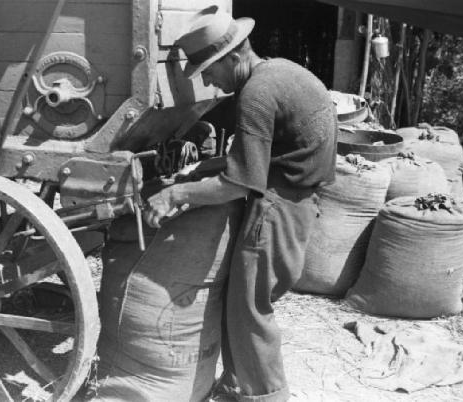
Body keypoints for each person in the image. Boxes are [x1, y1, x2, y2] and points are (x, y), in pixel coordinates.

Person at [143, 6, 337, 402]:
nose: (211, 82)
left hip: (279, 209)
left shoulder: (256, 95)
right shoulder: (280, 71)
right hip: (297, 200)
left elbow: (239, 183)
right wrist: (204, 168)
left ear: (234, 56)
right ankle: (238, 386)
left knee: (249, 310)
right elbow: (266, 158)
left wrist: (175, 193)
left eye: (210, 70)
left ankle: (263, 395)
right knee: (245, 303)